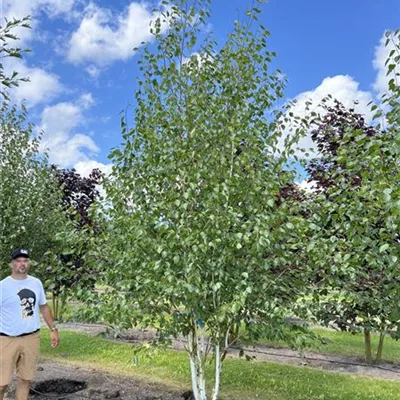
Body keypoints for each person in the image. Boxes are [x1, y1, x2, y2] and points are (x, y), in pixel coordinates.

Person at [0, 248, 60, 400]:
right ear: (12, 264)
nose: (22, 264)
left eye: (25, 261)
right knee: (1, 384)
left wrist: (53, 329)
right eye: (19, 261)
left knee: (25, 380)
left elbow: (44, 306)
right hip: (6, 339)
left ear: (29, 264)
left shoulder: (36, 283)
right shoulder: (3, 286)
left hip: (31, 338)